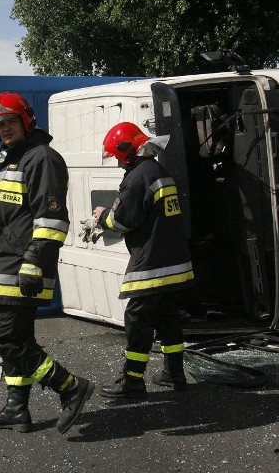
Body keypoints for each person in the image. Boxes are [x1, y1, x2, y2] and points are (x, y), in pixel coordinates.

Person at [0, 91, 94, 435]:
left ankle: (70, 387)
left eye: (10, 121)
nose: (4, 129)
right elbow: (5, 221)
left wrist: (33, 262)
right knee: (17, 338)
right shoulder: (9, 162)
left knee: (4, 339)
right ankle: (17, 408)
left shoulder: (42, 158)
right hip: (2, 263)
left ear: (26, 120)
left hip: (22, 266)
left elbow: (52, 218)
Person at [92, 122, 195, 398]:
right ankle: (174, 374)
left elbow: (122, 221)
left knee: (138, 320)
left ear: (126, 151)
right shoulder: (158, 171)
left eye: (117, 157)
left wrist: (100, 216)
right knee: (167, 318)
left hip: (152, 264)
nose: (117, 163)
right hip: (175, 262)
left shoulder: (138, 176)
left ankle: (132, 382)